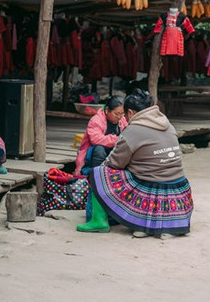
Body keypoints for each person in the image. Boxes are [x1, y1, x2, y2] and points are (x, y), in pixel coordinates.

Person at [77, 89, 194, 238]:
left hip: (150, 185)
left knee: (99, 173)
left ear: (131, 113)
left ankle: (98, 222)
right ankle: (164, 228)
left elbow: (114, 163)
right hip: (179, 186)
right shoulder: (167, 124)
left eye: (124, 114)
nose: (123, 117)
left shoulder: (133, 130)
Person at [74, 96, 128, 176]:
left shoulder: (122, 120)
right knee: (99, 148)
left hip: (112, 155)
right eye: (116, 114)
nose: (119, 117)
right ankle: (97, 176)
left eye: (122, 114)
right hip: (93, 156)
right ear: (107, 110)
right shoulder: (96, 120)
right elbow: (95, 139)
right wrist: (118, 139)